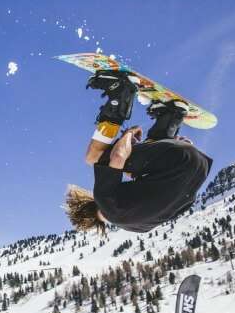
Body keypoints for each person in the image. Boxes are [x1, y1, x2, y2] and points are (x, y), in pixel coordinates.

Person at [65, 70, 212, 234]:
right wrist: (128, 135)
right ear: (87, 203)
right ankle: (121, 92)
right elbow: (119, 156)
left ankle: (171, 116)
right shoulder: (105, 202)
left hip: (198, 168)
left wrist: (181, 150)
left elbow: (170, 196)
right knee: (94, 157)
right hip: (176, 159)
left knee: (134, 171)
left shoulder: (141, 227)